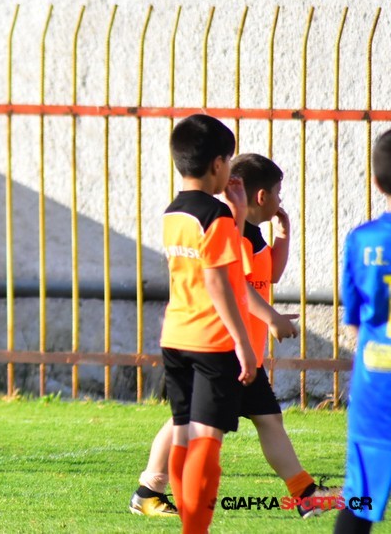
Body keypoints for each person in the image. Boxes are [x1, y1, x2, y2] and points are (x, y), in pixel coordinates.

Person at [129, 152, 335, 519]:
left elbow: (268, 275)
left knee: (267, 420)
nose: (281, 200)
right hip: (223, 349)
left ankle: (305, 494)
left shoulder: (251, 234)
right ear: (262, 196)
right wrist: (271, 317)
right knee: (187, 422)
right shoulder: (228, 228)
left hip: (245, 354)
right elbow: (234, 283)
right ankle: (150, 491)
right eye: (278, 192)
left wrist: (283, 236)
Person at [158, 114, 256, 534]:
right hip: (211, 340)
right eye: (229, 161)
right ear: (217, 164)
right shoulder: (214, 215)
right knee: (206, 441)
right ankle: (195, 529)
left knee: (183, 434)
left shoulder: (174, 212)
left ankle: (190, 523)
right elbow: (218, 282)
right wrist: (243, 343)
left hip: (175, 336)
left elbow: (214, 263)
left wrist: (238, 215)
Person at [334, 129, 391, 533]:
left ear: (376, 181)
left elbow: (354, 320)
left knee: (360, 499)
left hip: (377, 387)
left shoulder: (362, 240)